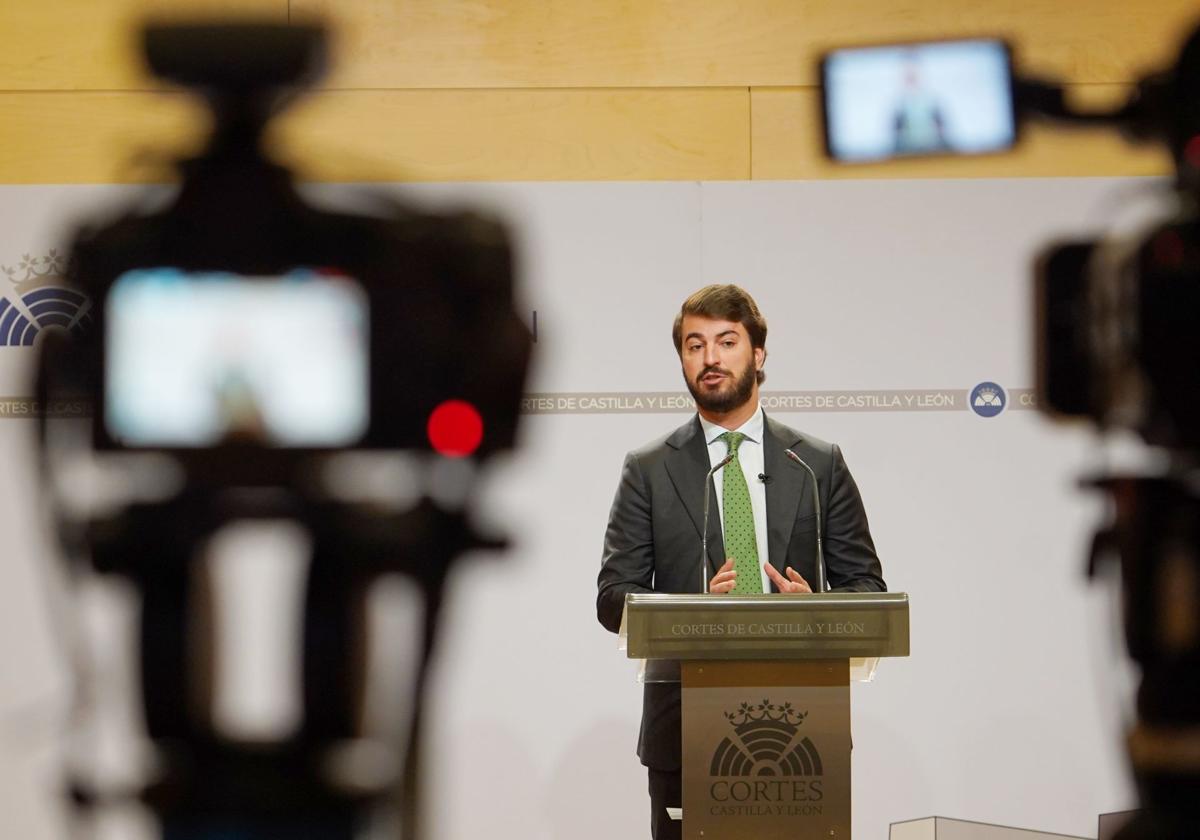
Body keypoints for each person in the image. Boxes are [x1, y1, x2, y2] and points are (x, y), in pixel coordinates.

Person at [596, 284, 885, 840]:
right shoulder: (649, 469)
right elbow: (613, 598)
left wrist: (817, 611)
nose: (710, 358)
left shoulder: (815, 465)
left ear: (757, 355)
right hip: (683, 730)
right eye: (694, 345)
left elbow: (869, 588)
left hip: (801, 729)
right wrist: (692, 610)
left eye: (726, 342)